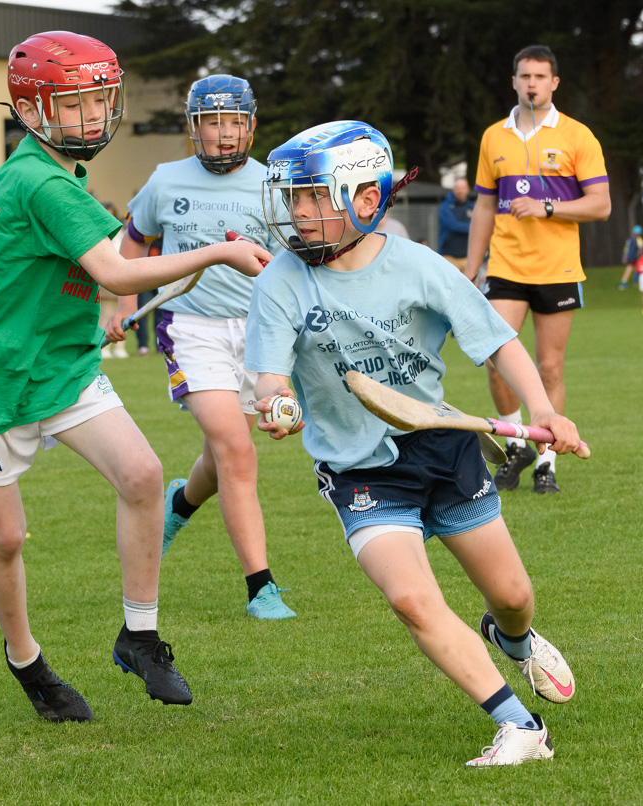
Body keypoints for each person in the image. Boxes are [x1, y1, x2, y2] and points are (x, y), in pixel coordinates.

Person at [0, 32, 270, 723]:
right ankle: (27, 663)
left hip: (59, 366)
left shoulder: (28, 175)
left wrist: (89, 312)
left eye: (98, 102)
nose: (92, 118)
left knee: (142, 476)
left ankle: (138, 636)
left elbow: (55, 270)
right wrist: (220, 251)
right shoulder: (43, 182)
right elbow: (112, 269)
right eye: (74, 105)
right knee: (6, 537)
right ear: (31, 110)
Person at [247, 119, 581, 767]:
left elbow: (497, 342)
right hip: (357, 468)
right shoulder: (279, 281)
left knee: (510, 597)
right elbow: (270, 377)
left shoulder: (420, 267)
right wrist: (277, 407)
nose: (299, 213)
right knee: (410, 599)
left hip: (442, 447)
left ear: (365, 199)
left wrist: (542, 410)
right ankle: (519, 726)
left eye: (314, 196)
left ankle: (512, 640)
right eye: (293, 198)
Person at [105, 75, 293, 620]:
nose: (224, 134)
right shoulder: (165, 182)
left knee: (220, 453)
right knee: (236, 449)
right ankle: (261, 586)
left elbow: (290, 267)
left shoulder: (271, 184)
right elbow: (135, 241)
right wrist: (121, 305)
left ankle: (181, 504)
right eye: (212, 123)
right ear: (194, 128)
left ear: (252, 126)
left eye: (235, 122)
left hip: (258, 331)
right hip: (189, 326)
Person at [465, 45, 610, 495]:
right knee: (496, 360)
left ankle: (547, 461)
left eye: (540, 76)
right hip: (506, 266)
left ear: (554, 83)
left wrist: (548, 207)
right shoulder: (494, 137)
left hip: (557, 269)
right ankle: (517, 446)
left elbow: (600, 205)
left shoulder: (577, 136)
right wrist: (472, 266)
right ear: (514, 81)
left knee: (549, 367)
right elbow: (485, 205)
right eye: (524, 75)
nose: (532, 83)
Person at [98, 201, 128, 359]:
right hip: (105, 280)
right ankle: (103, 348)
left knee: (122, 315)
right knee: (105, 315)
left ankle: (120, 348)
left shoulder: (121, 232)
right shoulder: (97, 232)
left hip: (122, 279)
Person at [438, 177, 473, 271]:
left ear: (468, 189)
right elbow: (453, 225)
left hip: (469, 257)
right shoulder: (445, 206)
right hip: (449, 257)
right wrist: (473, 228)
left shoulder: (472, 207)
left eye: (462, 188)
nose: (460, 191)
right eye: (457, 188)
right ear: (453, 190)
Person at [618, 225, 643, 290]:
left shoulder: (629, 239)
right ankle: (635, 282)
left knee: (629, 268)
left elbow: (626, 249)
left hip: (629, 256)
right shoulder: (639, 240)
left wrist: (624, 257)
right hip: (635, 257)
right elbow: (640, 249)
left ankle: (624, 282)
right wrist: (641, 256)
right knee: (637, 269)